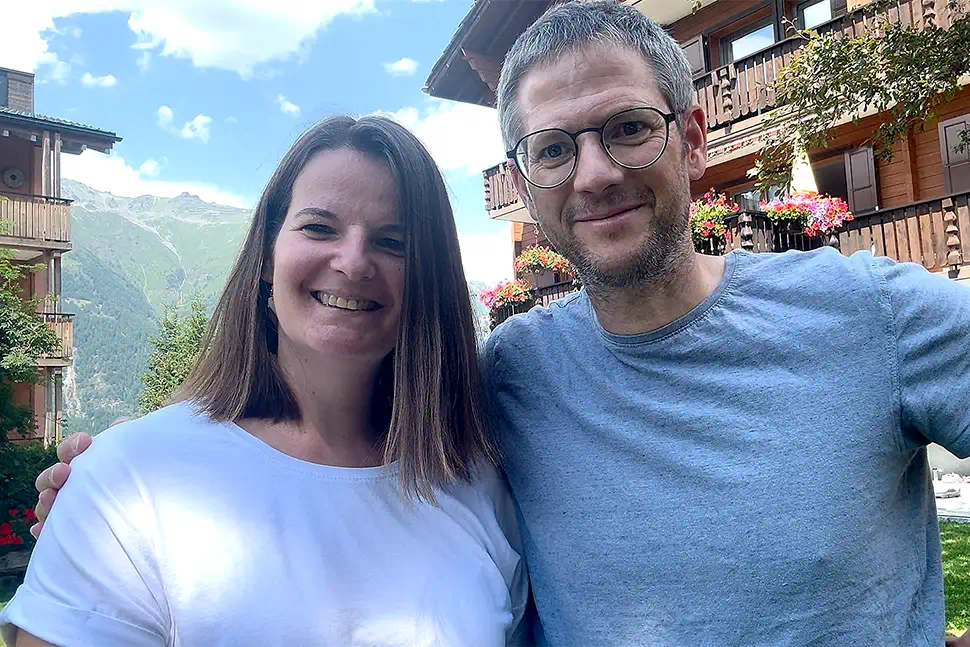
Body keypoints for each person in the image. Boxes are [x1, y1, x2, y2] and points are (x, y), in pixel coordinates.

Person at [26, 1, 970, 645]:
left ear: (691, 138)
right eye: (554, 148)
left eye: (628, 128)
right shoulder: (511, 376)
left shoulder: (869, 316)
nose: (594, 173)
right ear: (524, 182)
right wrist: (121, 473)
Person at [0, 115, 528, 646]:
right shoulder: (129, 480)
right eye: (319, 228)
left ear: (429, 281)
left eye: (393, 242)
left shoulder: (476, 485)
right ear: (266, 260)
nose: (354, 262)